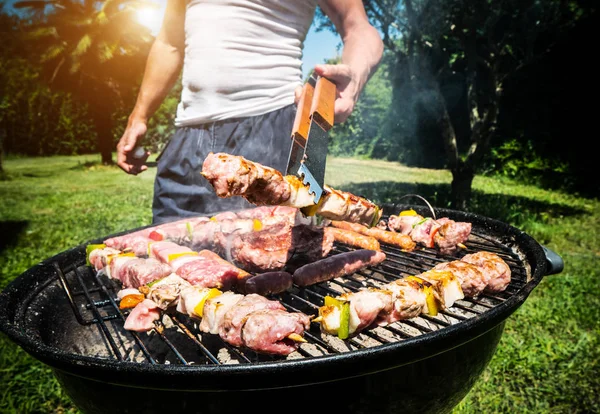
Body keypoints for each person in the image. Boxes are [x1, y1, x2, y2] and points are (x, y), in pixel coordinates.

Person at [116, 0, 383, 224]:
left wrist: (354, 81)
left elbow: (358, 28)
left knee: (264, 266)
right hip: (187, 134)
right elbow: (169, 42)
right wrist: (138, 116)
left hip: (269, 126)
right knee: (167, 256)